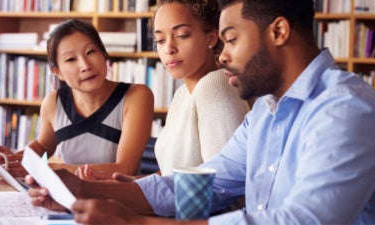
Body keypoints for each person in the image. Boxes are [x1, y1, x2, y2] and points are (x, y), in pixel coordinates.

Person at [27, 0, 375, 224]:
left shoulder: (346, 110)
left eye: (231, 39)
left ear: (278, 31)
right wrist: (82, 190)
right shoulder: (266, 113)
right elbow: (204, 183)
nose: (223, 56)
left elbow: (303, 220)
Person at [80, 0, 249, 180]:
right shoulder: (182, 94)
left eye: (182, 35)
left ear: (211, 38)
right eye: (160, 40)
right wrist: (132, 184)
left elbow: (224, 184)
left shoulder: (215, 86)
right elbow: (173, 174)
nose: (169, 48)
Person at [7, 19, 154, 180]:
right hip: (70, 199)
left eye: (91, 52)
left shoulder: (136, 96)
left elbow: (125, 169)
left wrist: (53, 170)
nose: (85, 65)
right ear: (57, 71)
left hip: (119, 200)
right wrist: (14, 161)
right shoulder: (54, 102)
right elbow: (43, 145)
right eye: (71, 59)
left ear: (103, 54)